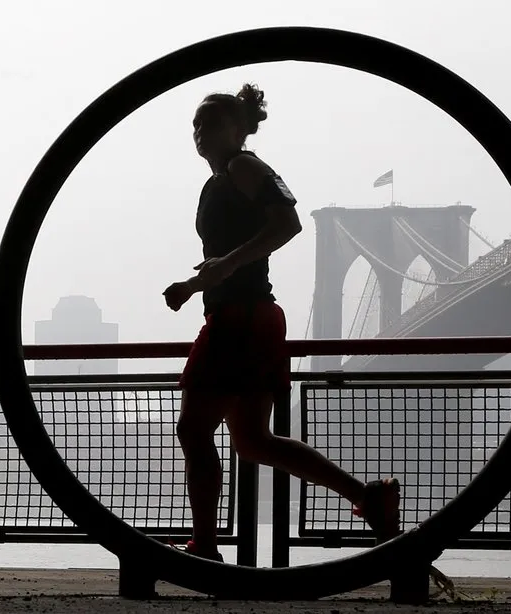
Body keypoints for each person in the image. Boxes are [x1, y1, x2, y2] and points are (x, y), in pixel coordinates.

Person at [163, 83, 401, 563]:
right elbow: (232, 258)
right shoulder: (217, 182)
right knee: (252, 441)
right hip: (249, 316)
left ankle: (205, 546)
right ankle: (367, 495)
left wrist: (225, 267)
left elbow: (287, 224)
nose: (199, 132)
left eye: (210, 122)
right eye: (195, 124)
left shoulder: (243, 167)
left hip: (242, 320)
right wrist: (194, 287)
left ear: (238, 128)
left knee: (194, 430)